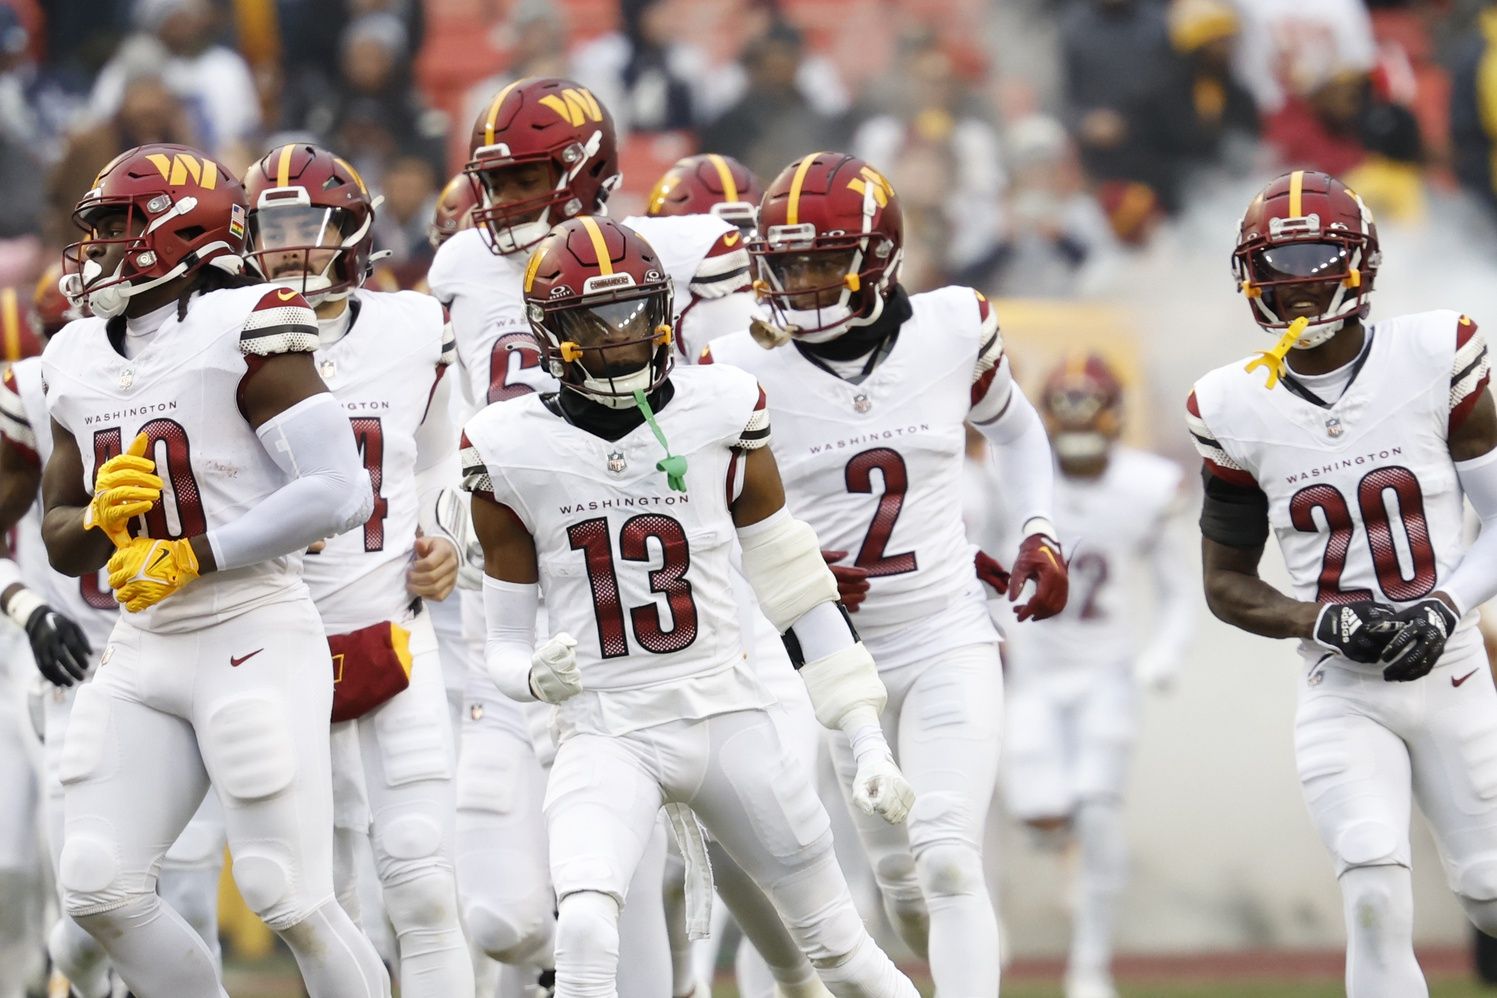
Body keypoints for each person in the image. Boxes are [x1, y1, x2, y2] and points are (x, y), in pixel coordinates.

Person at [463, 213, 918, 998]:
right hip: (605, 727)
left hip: (724, 712)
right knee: (582, 922)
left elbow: (795, 589)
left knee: (843, 952)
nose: (619, 337)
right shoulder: (508, 446)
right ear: (551, 332)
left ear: (665, 313)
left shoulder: (720, 407)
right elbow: (500, 644)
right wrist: (533, 677)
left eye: (634, 313)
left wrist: (867, 738)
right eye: (594, 322)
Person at [704, 151, 1070, 997]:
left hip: (945, 631)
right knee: (899, 888)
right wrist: (786, 566)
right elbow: (708, 521)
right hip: (828, 661)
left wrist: (1040, 531)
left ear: (877, 256)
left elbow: (1014, 432)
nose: (799, 281)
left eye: (821, 260)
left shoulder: (952, 328)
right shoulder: (736, 369)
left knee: (945, 859)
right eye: (785, 263)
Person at [427, 77, 760, 998]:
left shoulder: (677, 252)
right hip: (509, 600)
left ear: (584, 170)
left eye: (526, 176)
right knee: (502, 919)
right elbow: (452, 416)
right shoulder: (459, 268)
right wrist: (446, 511)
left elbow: (736, 397)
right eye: (492, 180)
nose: (502, 201)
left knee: (623, 883)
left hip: (628, 595)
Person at [39, 142, 388, 998]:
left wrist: (194, 551)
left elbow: (340, 490)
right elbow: (58, 538)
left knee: (288, 894)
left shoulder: (248, 322)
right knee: (95, 883)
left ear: (177, 230)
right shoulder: (75, 355)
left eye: (117, 227)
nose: (98, 250)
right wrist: (98, 517)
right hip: (145, 642)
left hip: (251, 625)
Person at [1187, 169, 1497, 996]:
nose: (1292, 283)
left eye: (1314, 258)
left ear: (1359, 264)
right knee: (1368, 883)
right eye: (1273, 263)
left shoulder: (1435, 352)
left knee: (1488, 889)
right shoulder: (1228, 405)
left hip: (1454, 663)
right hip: (1340, 685)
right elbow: (1224, 581)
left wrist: (1442, 605)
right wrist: (1316, 621)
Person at [243, 142, 473, 998]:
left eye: (307, 227)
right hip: (274, 640)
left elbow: (439, 457)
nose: (291, 249)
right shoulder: (226, 339)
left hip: (392, 628)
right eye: (273, 231)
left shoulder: (413, 328)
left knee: (420, 875)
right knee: (317, 888)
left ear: (350, 231)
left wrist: (449, 538)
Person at [0, 267, 228, 998]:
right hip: (76, 663)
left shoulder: (209, 360)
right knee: (85, 891)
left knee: (188, 894)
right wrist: (25, 605)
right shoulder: (38, 388)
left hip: (189, 647)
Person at [1002, 352, 1192, 998]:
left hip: (1106, 673)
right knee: (1040, 811)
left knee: (1098, 812)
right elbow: (973, 565)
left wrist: (1160, 656)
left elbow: (1175, 590)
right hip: (1030, 672)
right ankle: (1058, 858)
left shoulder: (1147, 486)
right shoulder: (1017, 481)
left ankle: (1089, 967)